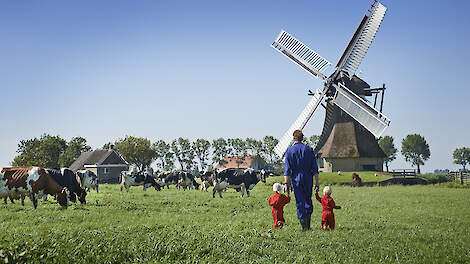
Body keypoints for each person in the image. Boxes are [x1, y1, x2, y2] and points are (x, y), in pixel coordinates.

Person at [284, 129, 319, 231]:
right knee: (308, 199)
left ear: (294, 138)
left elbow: (287, 170)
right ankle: (308, 225)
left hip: (296, 178)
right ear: (302, 138)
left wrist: (286, 184)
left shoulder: (289, 151)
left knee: (300, 201)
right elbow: (315, 168)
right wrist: (317, 182)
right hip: (308, 177)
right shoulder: (309, 149)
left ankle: (303, 226)